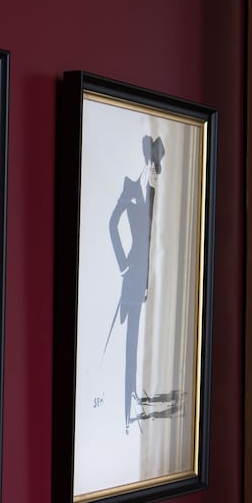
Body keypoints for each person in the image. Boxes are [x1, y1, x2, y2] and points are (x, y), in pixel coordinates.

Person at [108, 136, 164, 433]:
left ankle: (131, 394)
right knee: (129, 341)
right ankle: (125, 405)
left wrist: (147, 280)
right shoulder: (131, 186)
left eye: (156, 164)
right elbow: (112, 224)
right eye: (152, 162)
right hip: (131, 273)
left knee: (137, 339)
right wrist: (123, 264)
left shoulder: (152, 191)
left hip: (143, 276)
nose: (154, 168)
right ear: (146, 160)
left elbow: (151, 240)